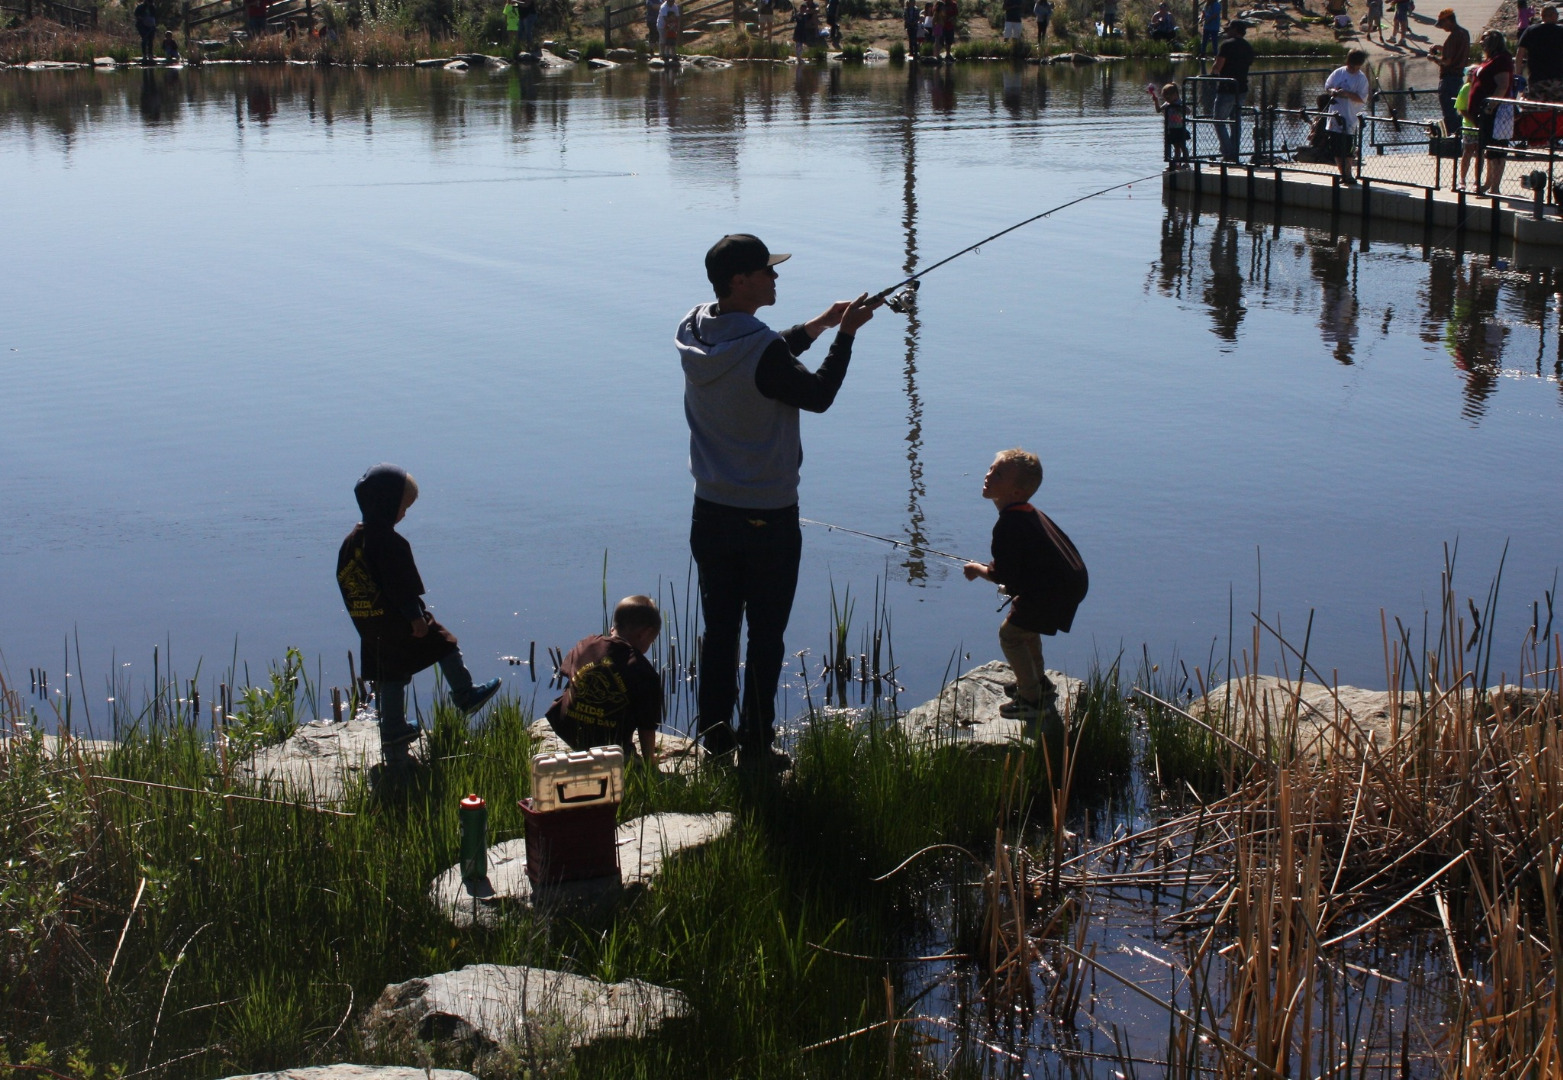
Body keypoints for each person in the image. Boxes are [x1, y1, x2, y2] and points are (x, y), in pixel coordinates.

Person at [675, 234, 877, 768]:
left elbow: (763, 357)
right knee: (765, 637)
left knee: (719, 632)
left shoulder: (696, 329)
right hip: (767, 516)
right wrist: (847, 337)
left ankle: (716, 741)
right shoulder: (760, 349)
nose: (775, 278)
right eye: (767, 270)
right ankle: (756, 749)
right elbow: (816, 395)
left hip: (709, 511)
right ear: (740, 280)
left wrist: (818, 324)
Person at [336, 464, 502, 750]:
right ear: (387, 504)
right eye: (403, 506)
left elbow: (346, 579)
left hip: (369, 622)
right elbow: (401, 586)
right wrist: (416, 619)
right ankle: (465, 694)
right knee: (444, 644)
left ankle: (392, 729)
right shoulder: (389, 543)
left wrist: (362, 616)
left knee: (390, 673)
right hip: (400, 619)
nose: (404, 514)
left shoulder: (352, 541)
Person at [961, 449, 1088, 724]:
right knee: (1026, 628)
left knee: (1011, 634)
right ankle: (1037, 684)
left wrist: (976, 570)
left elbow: (1002, 573)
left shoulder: (1009, 525)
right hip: (1064, 583)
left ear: (1017, 491)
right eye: (991, 468)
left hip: (1053, 590)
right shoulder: (1028, 514)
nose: (988, 475)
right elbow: (1024, 565)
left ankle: (1031, 701)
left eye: (999, 474)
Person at [545, 596, 663, 764]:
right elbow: (647, 728)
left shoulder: (585, 644)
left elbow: (569, 677)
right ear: (644, 634)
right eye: (652, 640)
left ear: (614, 627)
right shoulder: (644, 672)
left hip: (568, 732)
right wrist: (650, 761)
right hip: (608, 747)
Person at [1469, 29, 1514, 192]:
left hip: (1497, 112)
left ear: (1493, 41)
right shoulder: (1490, 60)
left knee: (1498, 149)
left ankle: (1495, 186)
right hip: (1485, 113)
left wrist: (1490, 106)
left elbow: (1502, 85)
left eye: (1484, 39)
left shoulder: (1502, 59)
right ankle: (1487, 183)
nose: (1481, 42)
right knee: (1488, 149)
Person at [1210, 19, 1255, 161]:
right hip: (1242, 88)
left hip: (1227, 88)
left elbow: (1217, 67)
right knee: (1236, 121)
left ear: (1235, 29)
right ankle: (1234, 152)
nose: (1227, 31)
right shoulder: (1248, 47)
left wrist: (1213, 71)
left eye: (1229, 29)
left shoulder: (1227, 45)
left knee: (1219, 120)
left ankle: (1228, 152)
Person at [1324, 49, 1370, 183]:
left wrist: (1347, 93)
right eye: (1350, 65)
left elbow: (1362, 98)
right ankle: (1343, 174)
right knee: (1337, 148)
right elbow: (1327, 86)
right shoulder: (1339, 72)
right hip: (1334, 116)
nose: (1352, 68)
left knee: (1348, 148)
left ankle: (1349, 175)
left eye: (1355, 66)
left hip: (1349, 117)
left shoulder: (1361, 78)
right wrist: (1333, 91)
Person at [1430, 8, 1471, 134]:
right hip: (1459, 78)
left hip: (1448, 79)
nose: (1442, 28)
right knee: (1456, 112)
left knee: (1449, 114)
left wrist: (1433, 58)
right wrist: (1441, 48)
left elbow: (1447, 61)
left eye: (1443, 24)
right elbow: (1456, 52)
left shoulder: (1453, 36)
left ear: (1448, 21)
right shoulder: (1464, 33)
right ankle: (1459, 140)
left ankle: (1452, 141)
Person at [1518, 4, 1563, 101]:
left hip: (1537, 78)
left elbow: (1520, 53)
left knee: (1537, 108)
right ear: (1553, 15)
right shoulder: (1561, 31)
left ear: (1542, 16)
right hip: (1558, 78)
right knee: (1558, 109)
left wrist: (1518, 74)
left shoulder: (1531, 31)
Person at [1453, 63, 1481, 188]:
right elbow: (1461, 109)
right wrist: (1474, 121)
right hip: (1469, 127)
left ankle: (1477, 181)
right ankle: (1462, 179)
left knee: (1480, 154)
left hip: (1480, 127)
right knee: (1467, 152)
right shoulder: (1466, 88)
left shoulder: (1482, 88)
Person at [1149, 81, 1190, 165]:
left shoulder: (1179, 102)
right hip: (1171, 129)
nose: (1166, 99)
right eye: (1164, 98)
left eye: (1168, 97)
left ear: (1175, 94)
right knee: (1176, 148)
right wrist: (1156, 101)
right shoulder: (1167, 104)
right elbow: (1158, 110)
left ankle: (1186, 163)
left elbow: (1188, 111)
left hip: (1180, 129)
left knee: (1183, 147)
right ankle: (1176, 163)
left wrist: (1179, 108)